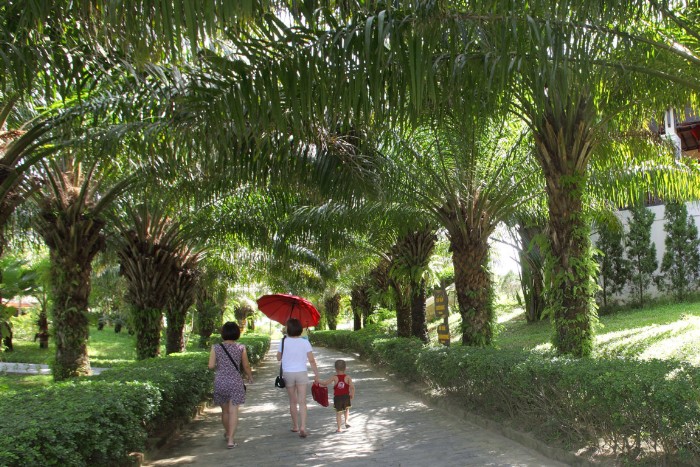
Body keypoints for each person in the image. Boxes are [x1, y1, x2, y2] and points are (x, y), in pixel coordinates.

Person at [208, 321, 254, 449]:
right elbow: (245, 365)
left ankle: (228, 433)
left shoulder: (215, 347)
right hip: (235, 381)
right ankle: (231, 441)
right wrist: (250, 376)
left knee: (225, 412)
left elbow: (211, 366)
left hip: (220, 381)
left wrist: (220, 364)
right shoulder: (241, 347)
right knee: (233, 412)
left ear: (223, 333)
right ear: (236, 333)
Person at [277, 318, 320, 438]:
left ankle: (295, 426)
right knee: (302, 402)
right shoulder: (305, 342)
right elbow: (311, 360)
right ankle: (303, 427)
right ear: (300, 329)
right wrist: (316, 374)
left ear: (288, 329)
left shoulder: (283, 342)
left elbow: (278, 358)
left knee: (292, 401)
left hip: (288, 373)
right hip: (301, 372)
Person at [319, 359, 355, 433]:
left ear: (335, 369)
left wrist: (317, 381)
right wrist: (352, 394)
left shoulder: (334, 377)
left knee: (338, 413)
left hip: (338, 398)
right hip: (346, 396)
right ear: (345, 368)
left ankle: (339, 428)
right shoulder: (347, 377)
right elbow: (352, 387)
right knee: (347, 409)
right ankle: (346, 422)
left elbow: (325, 383)